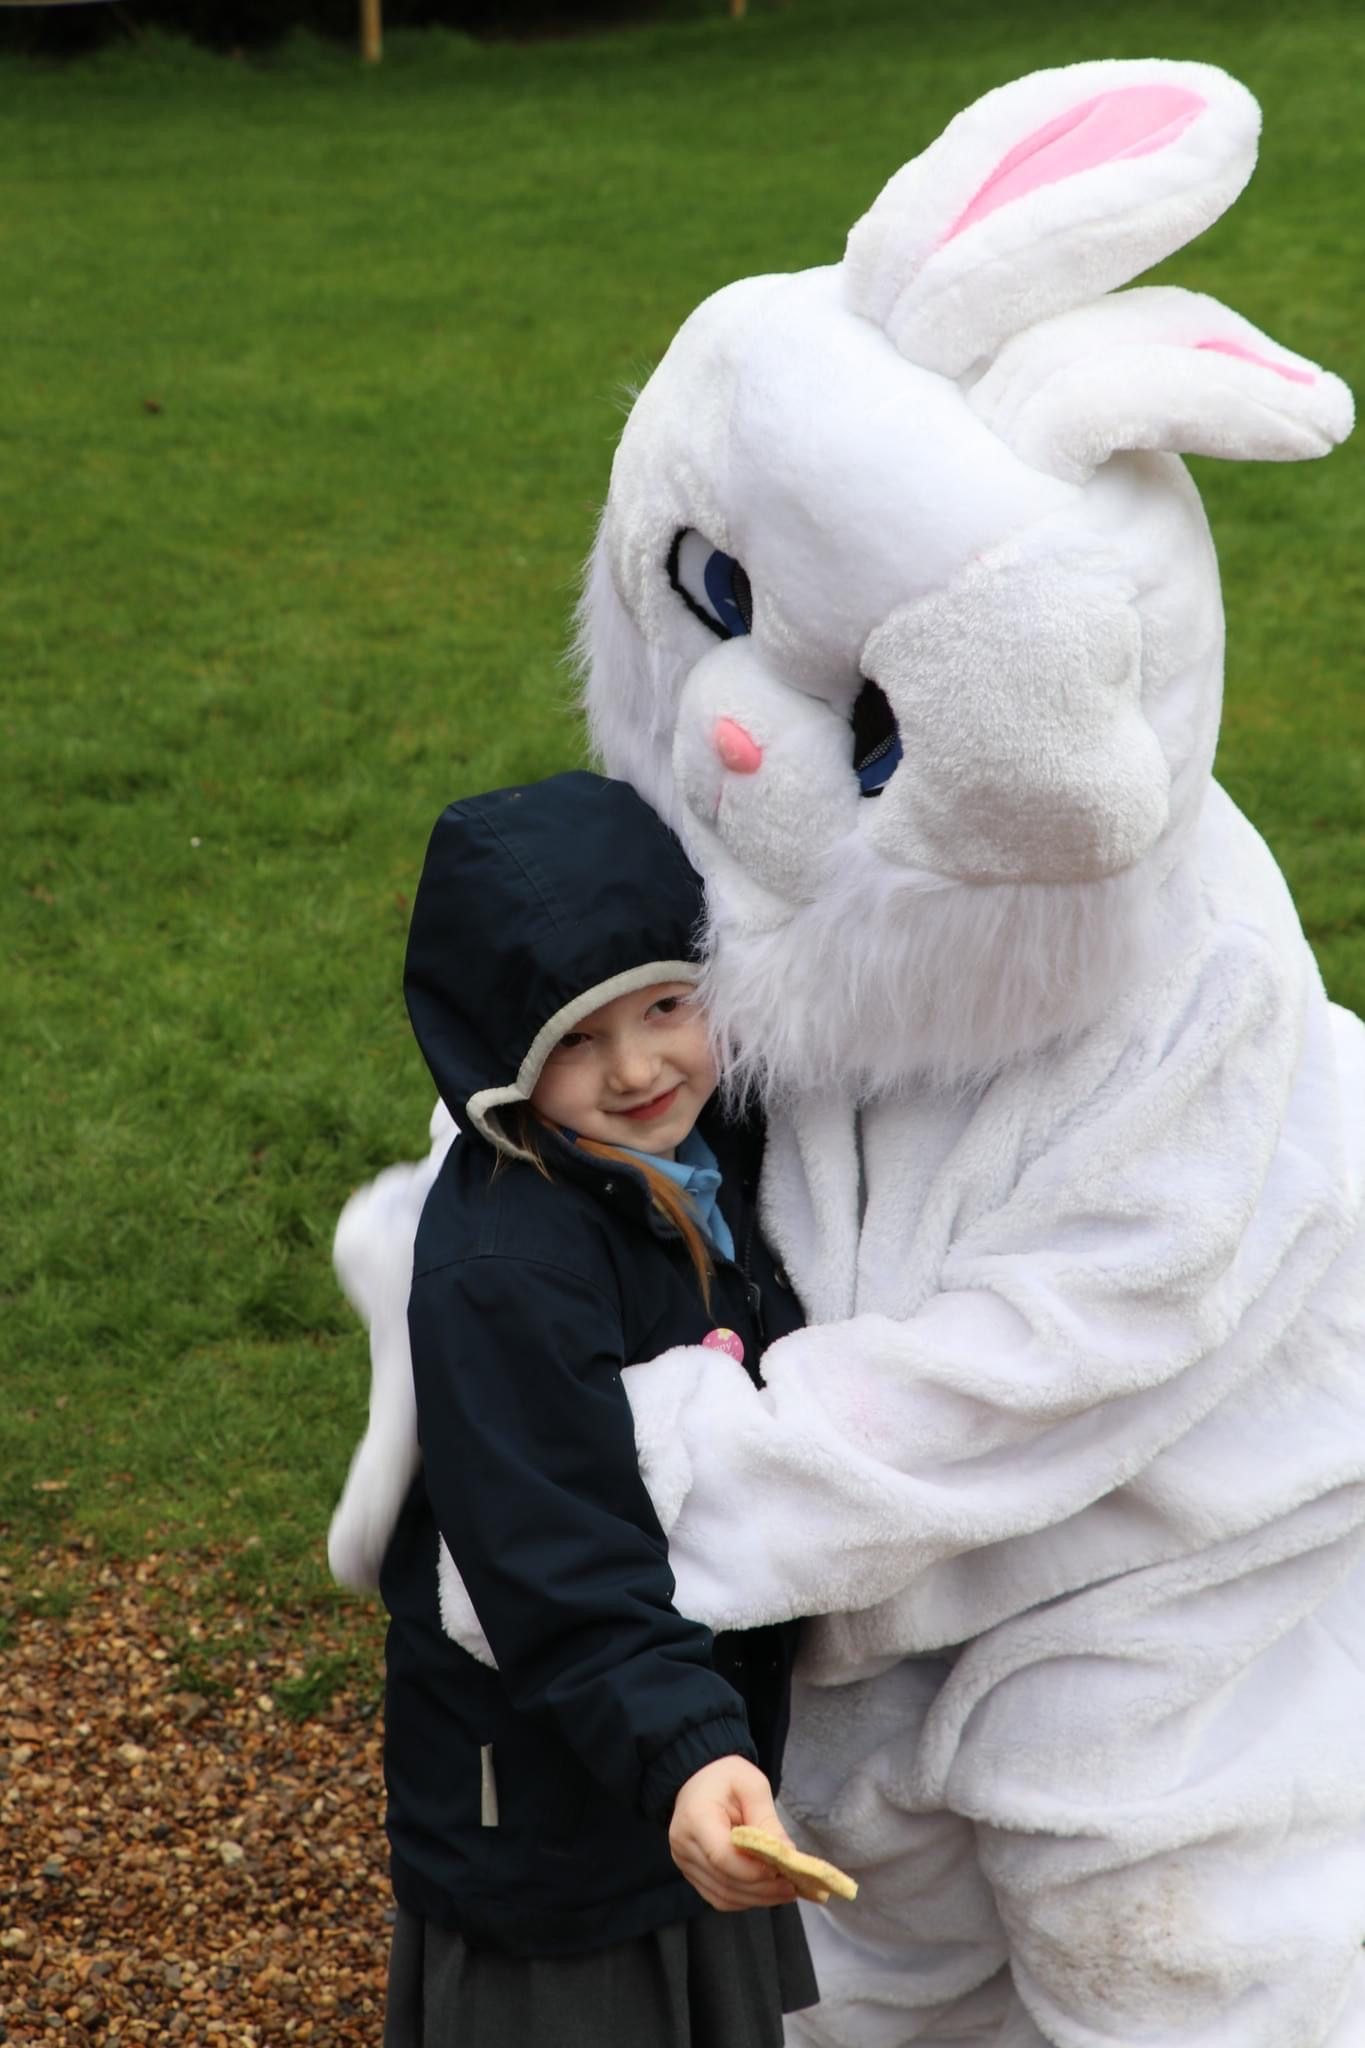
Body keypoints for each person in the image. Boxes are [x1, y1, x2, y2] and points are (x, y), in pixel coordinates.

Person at [377, 770, 818, 2048]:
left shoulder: (686, 1155)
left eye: (670, 1006)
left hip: (676, 1761)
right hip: (557, 1823)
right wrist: (686, 1748)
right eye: (575, 1037)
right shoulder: (510, 1266)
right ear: (498, 1051)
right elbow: (553, 1548)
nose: (636, 1068)